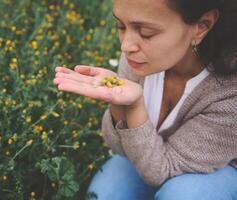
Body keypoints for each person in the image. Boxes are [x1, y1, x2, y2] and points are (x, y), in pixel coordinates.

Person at [53, 0, 237, 199]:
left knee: (183, 195)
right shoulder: (139, 58)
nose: (126, 46)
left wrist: (133, 108)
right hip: (146, 158)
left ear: (202, 26)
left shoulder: (230, 93)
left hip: (218, 170)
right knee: (104, 194)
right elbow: (117, 146)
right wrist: (117, 100)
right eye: (121, 26)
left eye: (146, 32)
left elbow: (163, 170)